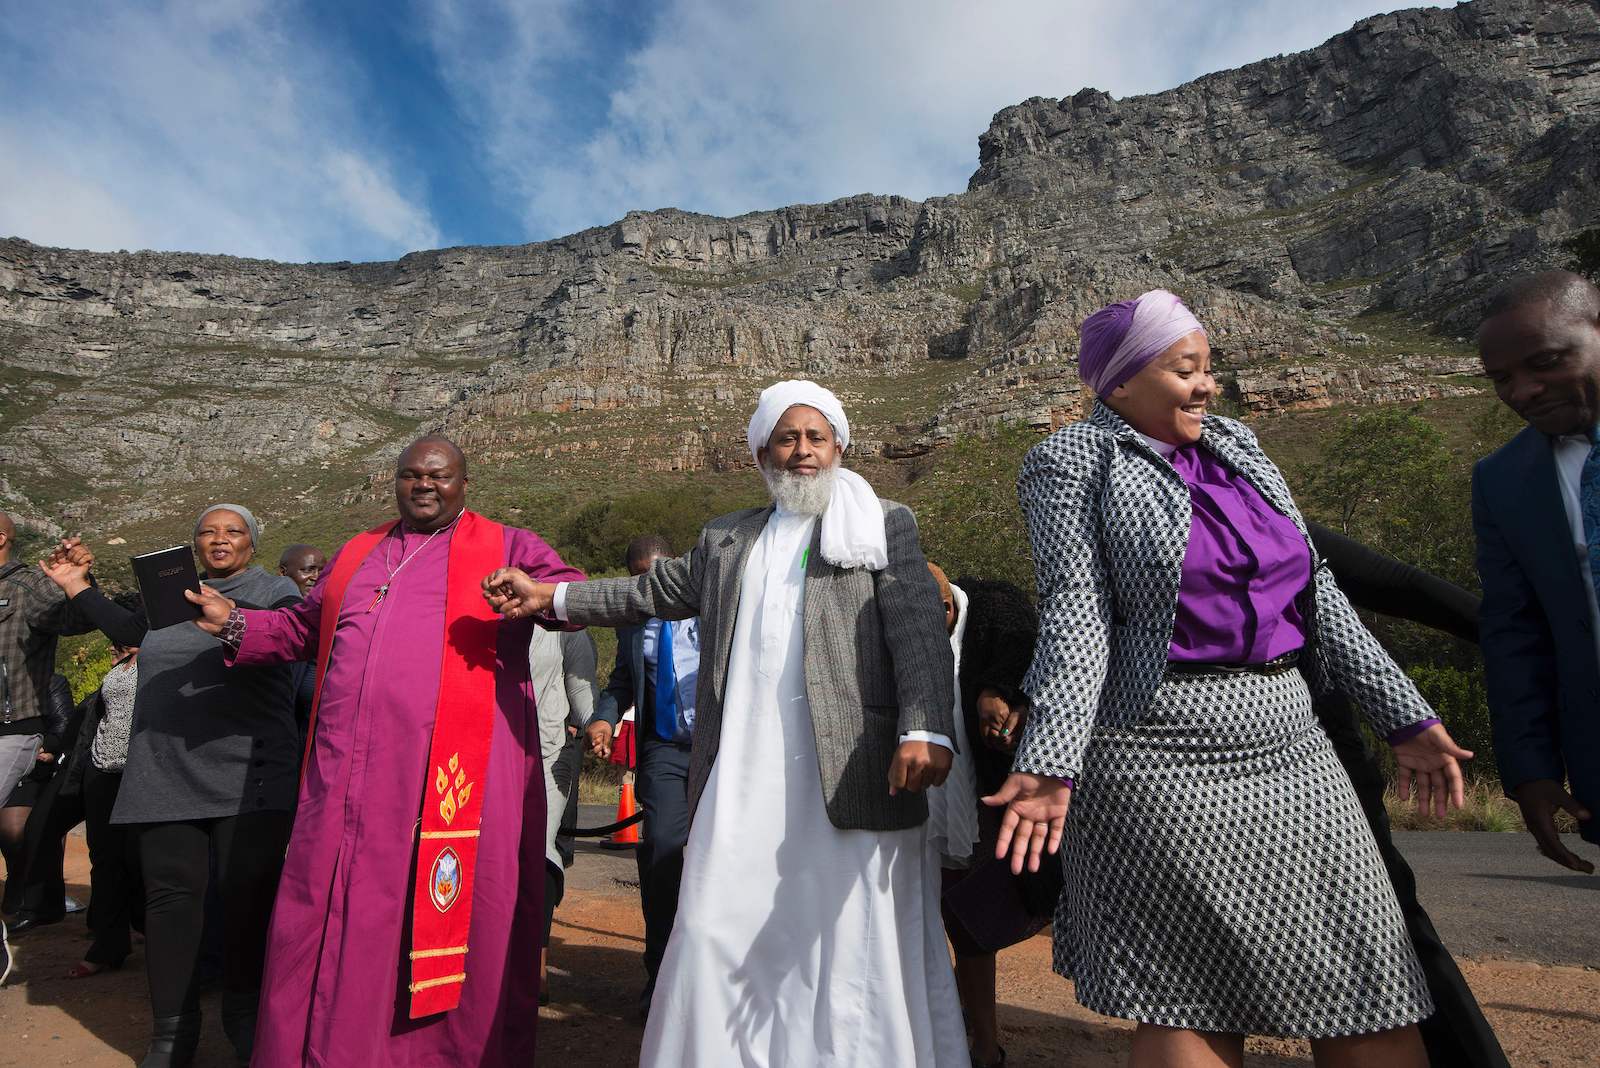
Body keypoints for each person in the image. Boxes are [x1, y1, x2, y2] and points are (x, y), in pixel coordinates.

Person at [988, 290, 1473, 1068]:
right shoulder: (1071, 461)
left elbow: (1316, 591)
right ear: (1118, 384)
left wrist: (1406, 719)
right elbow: (1078, 612)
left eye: (1209, 368)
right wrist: (1050, 763)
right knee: (1193, 993)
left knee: (1367, 976)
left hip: (1291, 740)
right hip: (1157, 752)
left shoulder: (1239, 446)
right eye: (1186, 369)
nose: (1208, 386)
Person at [483, 380, 967, 1067]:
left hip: (852, 769)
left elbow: (917, 632)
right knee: (713, 925)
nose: (802, 451)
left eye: (815, 437)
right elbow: (646, 593)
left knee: (847, 939)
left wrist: (926, 726)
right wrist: (551, 597)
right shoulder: (726, 538)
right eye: (787, 438)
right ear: (761, 453)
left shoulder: (886, 522)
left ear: (839, 447)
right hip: (743, 774)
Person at [183, 435, 585, 1068]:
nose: (424, 486)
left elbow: (570, 592)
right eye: (410, 477)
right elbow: (300, 629)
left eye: (439, 477)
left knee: (444, 917)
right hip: (347, 778)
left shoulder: (506, 544)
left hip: (455, 780)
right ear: (394, 482)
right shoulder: (359, 552)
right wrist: (232, 619)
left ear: (463, 484)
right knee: (333, 911)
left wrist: (536, 592)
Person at [43, 506, 302, 1067]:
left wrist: (232, 616)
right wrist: (76, 587)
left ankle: (245, 1017)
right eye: (208, 531)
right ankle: (172, 1032)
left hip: (249, 774)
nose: (219, 539)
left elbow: (293, 642)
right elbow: (130, 631)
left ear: (253, 543)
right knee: (170, 904)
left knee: (246, 901)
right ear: (193, 544)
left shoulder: (277, 592)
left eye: (234, 531)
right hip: (165, 771)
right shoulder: (171, 595)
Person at [1305, 521, 1510, 1068]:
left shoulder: (1258, 506)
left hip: (1319, 746)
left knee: (1383, 916)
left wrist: (1520, 641)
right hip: (1171, 764)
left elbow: (1398, 585)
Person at [1474, 269, 1600, 872]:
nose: (1522, 391)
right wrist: (1531, 768)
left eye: (1545, 362)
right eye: (1502, 378)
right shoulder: (1502, 482)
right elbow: (1515, 632)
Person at [924, 565, 1051, 1068]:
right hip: (923, 805)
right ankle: (957, 1033)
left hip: (981, 800)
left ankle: (981, 1044)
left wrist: (995, 690)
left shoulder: (993, 606)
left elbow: (1025, 643)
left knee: (971, 921)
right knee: (937, 920)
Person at [582, 532, 701, 1019]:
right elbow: (622, 683)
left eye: (654, 576)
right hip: (665, 750)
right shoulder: (634, 623)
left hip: (723, 747)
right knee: (661, 855)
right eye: (637, 579)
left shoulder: (714, 606)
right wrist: (605, 716)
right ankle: (662, 980)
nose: (646, 587)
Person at [0, 509, 94, 903]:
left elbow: (75, 620)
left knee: (18, 829)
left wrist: (78, 580)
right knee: (12, 830)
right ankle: (28, 899)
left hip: (12, 725)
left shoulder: (27, 586)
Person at [528, 622, 598, 1003]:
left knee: (540, 848)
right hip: (487, 755)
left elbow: (582, 685)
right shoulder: (488, 615)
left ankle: (536, 962)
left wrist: (595, 726)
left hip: (548, 752)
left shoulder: (565, 627)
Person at [1, 672, 74, 919]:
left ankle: (27, 887)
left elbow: (64, 729)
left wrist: (43, 747)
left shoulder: (51, 683)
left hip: (35, 770)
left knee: (14, 830)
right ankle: (21, 884)